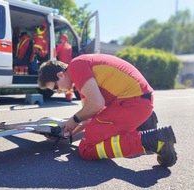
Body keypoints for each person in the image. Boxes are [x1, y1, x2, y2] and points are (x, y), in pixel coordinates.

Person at [37, 54, 177, 167]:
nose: (59, 91)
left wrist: (73, 120)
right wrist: (69, 132)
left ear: (60, 75)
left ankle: (154, 140)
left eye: (56, 88)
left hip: (133, 103)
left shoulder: (75, 67)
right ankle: (143, 124)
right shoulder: (82, 74)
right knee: (95, 133)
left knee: (86, 149)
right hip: (138, 101)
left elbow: (97, 104)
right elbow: (89, 115)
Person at [56, 34, 73, 101]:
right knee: (69, 81)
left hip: (62, 65)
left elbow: (56, 54)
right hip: (69, 65)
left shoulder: (60, 45)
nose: (60, 40)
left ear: (63, 39)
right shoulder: (70, 46)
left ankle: (59, 90)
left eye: (61, 38)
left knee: (61, 79)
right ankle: (69, 96)